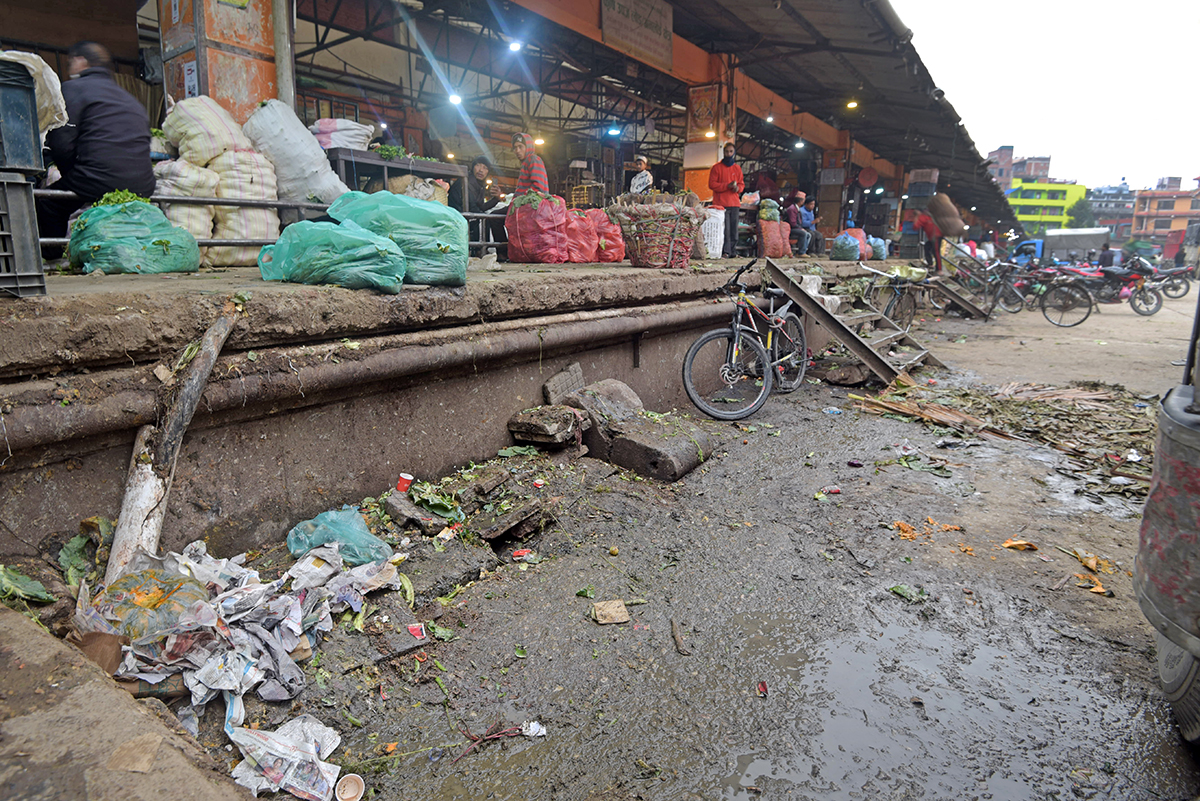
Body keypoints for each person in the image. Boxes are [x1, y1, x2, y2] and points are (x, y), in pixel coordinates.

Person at [36, 42, 156, 244]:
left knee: (48, 202)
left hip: (100, 179)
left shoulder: (73, 88)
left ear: (80, 61)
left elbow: (61, 143)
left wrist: (70, 173)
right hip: (144, 183)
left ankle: (53, 255)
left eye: (70, 63)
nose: (69, 68)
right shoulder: (129, 98)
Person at [448, 155, 503, 254]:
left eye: (485, 168)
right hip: (458, 215)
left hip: (467, 214)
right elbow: (475, 208)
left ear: (487, 172)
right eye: (478, 166)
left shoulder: (479, 184)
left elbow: (481, 206)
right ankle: (479, 251)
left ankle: (481, 250)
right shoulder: (467, 181)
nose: (481, 170)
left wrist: (496, 199)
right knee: (485, 219)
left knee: (486, 217)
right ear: (473, 168)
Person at [708, 142, 744, 258]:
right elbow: (712, 184)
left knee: (733, 229)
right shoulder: (716, 168)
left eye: (730, 151)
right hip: (720, 204)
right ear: (723, 152)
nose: (728, 154)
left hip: (734, 203)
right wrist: (726, 186)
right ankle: (725, 252)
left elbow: (741, 185)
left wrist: (737, 188)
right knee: (724, 230)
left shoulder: (737, 168)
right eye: (726, 151)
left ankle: (732, 252)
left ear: (734, 153)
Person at [781, 191, 809, 255]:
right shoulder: (792, 209)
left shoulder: (797, 209)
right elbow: (793, 223)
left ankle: (803, 251)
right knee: (804, 233)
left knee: (808, 234)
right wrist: (800, 228)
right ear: (801, 201)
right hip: (790, 229)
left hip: (795, 228)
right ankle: (801, 253)